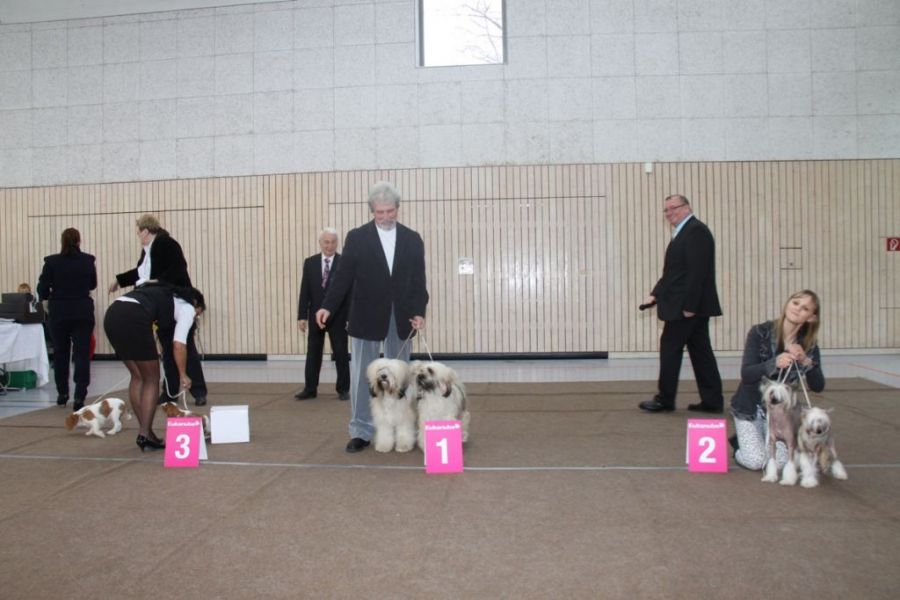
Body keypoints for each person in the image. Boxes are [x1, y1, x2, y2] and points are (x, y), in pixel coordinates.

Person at [316, 181, 429, 453]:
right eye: (380, 212)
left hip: (401, 317)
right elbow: (343, 276)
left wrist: (418, 311)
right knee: (361, 376)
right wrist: (327, 306)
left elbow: (418, 280)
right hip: (365, 316)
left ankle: (402, 428)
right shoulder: (357, 237)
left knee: (400, 377)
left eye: (390, 211)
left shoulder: (412, 239)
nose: (386, 217)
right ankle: (361, 430)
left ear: (398, 208)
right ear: (371, 210)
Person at [109, 214, 209, 407]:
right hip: (162, 305)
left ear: (146, 231)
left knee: (185, 347)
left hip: (178, 301)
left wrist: (158, 282)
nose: (138, 235)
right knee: (167, 349)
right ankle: (170, 392)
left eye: (139, 232)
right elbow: (140, 273)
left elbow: (178, 268)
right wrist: (119, 281)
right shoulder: (147, 251)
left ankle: (198, 391)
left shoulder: (167, 243)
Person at [639, 194, 724, 413]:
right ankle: (712, 401)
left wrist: (690, 307)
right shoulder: (685, 232)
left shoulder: (696, 232)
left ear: (687, 207)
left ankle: (665, 400)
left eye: (673, 208)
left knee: (670, 349)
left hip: (686, 307)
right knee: (701, 352)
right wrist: (655, 294)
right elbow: (674, 273)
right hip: (688, 306)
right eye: (666, 210)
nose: (669, 213)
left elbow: (697, 273)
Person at [103, 283, 205, 451]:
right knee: (151, 379)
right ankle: (145, 434)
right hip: (134, 316)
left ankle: (146, 433)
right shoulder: (188, 308)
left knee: (137, 376)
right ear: (195, 303)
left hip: (112, 314)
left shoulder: (163, 294)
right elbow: (179, 345)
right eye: (198, 314)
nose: (195, 318)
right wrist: (183, 374)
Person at [730, 290, 824, 470]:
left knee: (780, 463)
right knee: (756, 462)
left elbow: (818, 386)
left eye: (805, 309)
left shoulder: (809, 344)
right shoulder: (760, 332)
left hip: (781, 413)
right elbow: (747, 374)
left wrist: (807, 362)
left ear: (811, 318)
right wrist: (774, 363)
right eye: (795, 303)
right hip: (749, 408)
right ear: (788, 303)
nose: (797, 309)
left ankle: (764, 439)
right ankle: (739, 445)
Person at [36, 228, 97, 410]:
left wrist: (47, 298)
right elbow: (92, 284)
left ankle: (62, 393)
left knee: (61, 353)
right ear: (79, 241)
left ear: (62, 242)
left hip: (59, 311)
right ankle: (80, 395)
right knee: (82, 354)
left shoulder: (51, 262)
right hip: (82, 311)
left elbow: (42, 288)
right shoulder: (88, 260)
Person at [295, 227, 350, 401]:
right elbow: (305, 290)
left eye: (333, 242)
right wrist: (302, 316)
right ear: (320, 242)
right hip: (315, 316)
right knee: (313, 352)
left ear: (337, 243)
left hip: (338, 316)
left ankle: (343, 389)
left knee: (341, 353)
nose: (329, 245)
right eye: (326, 242)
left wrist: (349, 317)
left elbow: (350, 293)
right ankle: (310, 388)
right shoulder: (310, 262)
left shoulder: (344, 263)